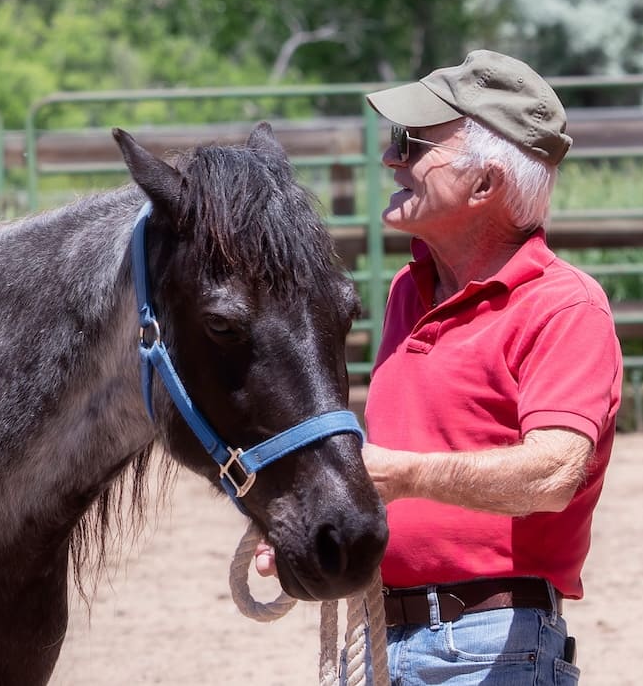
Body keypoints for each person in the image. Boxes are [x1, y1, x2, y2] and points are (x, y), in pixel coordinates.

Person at [262, 49, 620, 682]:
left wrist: (402, 474)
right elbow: (386, 479)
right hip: (384, 637)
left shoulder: (564, 306)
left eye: (413, 144)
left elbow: (553, 474)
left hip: (488, 648)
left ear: (484, 184)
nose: (391, 159)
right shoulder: (408, 292)